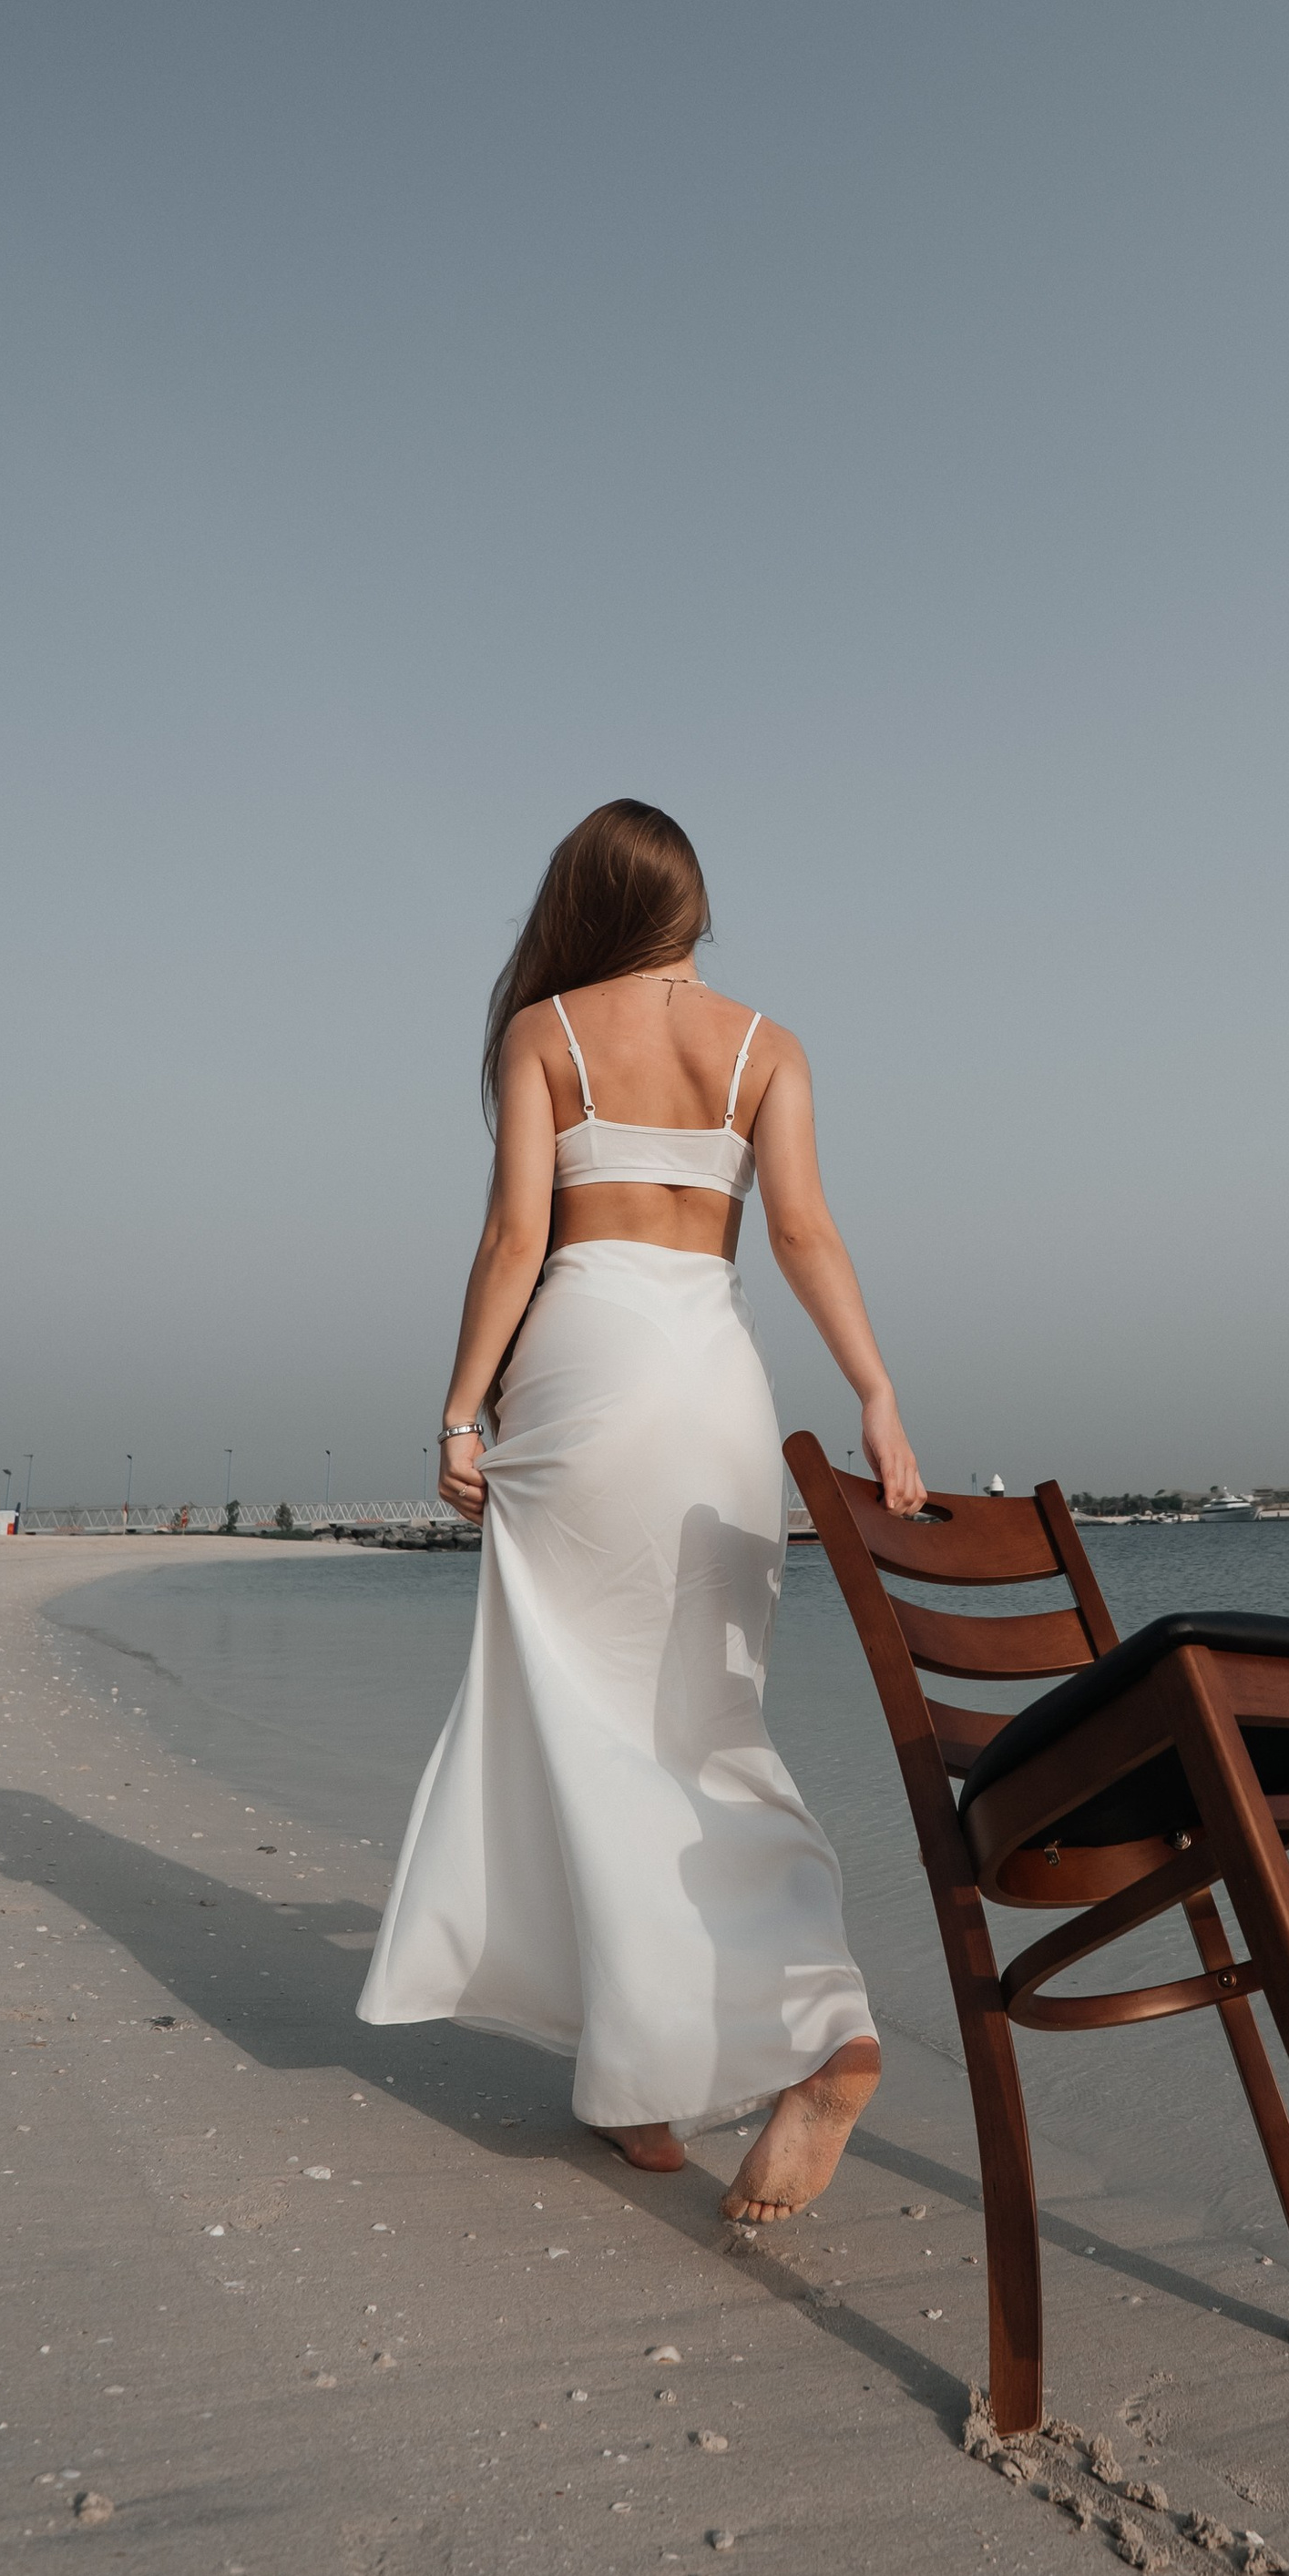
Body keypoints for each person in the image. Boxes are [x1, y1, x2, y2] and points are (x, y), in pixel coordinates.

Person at [355, 798, 923, 2223]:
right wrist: (877, 1394)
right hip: (714, 1382)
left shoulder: (544, 1033)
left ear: (585, 902)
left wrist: (459, 1407)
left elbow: (515, 1237)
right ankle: (716, 2054)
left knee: (584, 1721)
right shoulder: (766, 1045)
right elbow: (802, 1231)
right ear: (692, 905)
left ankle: (681, 2071)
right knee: (708, 1723)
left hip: (584, 1376)